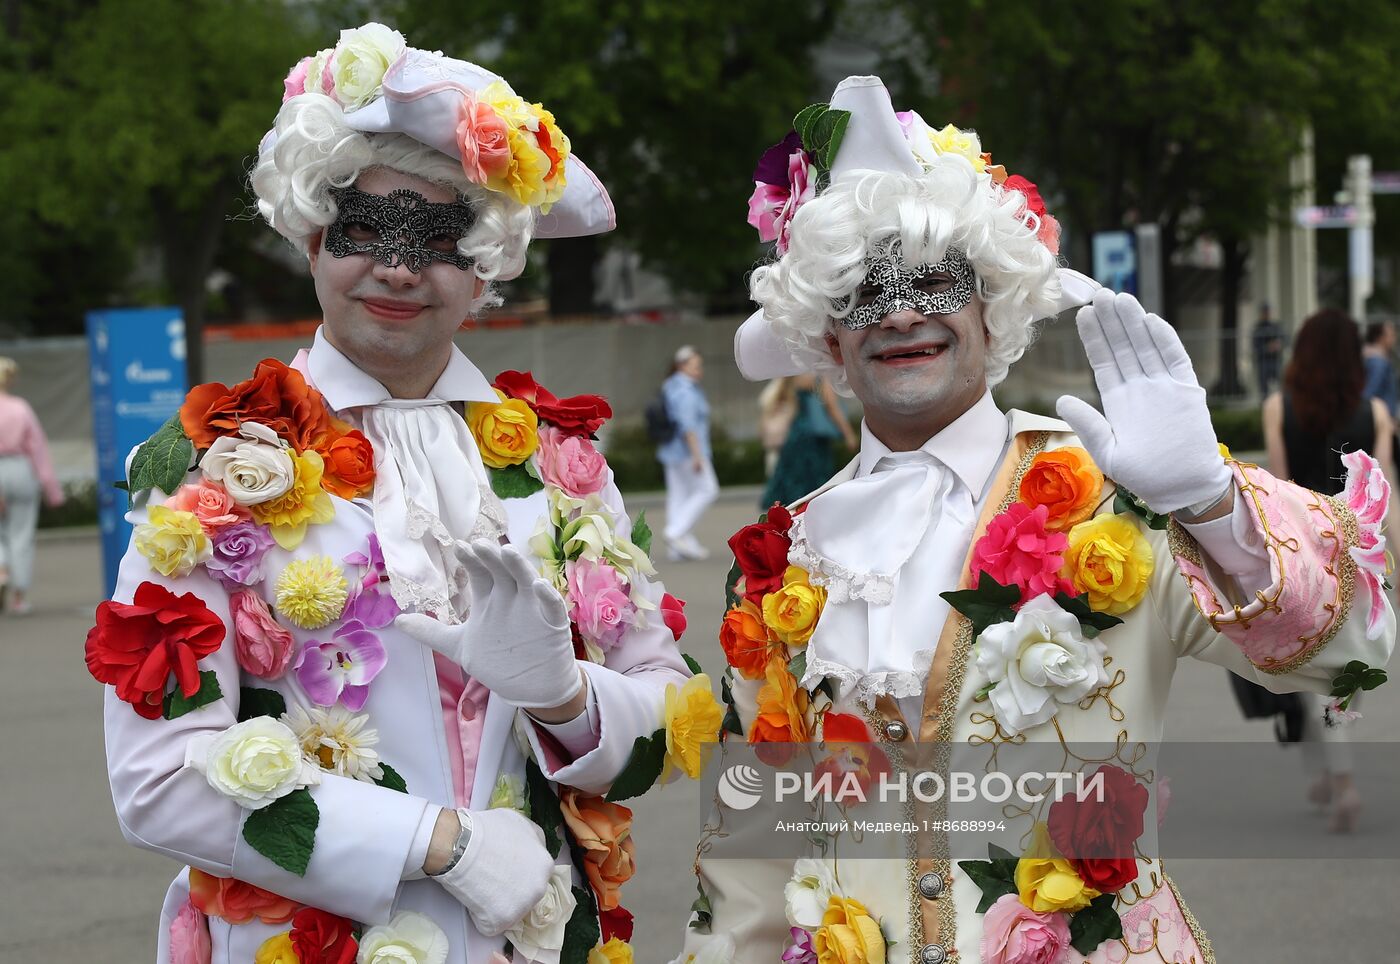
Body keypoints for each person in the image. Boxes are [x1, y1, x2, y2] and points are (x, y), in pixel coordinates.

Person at [675, 76, 1395, 963]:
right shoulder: (781, 562)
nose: (900, 311)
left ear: (994, 302)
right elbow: (749, 861)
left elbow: (1355, 653)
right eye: (863, 289)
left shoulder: (1113, 493)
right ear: (828, 337)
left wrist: (1209, 500)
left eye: (934, 279)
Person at [88, 26, 695, 963]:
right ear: (314, 236)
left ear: (486, 262)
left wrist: (567, 698)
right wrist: (434, 845)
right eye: (366, 231)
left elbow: (666, 722)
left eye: (441, 238)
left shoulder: (558, 466)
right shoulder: (205, 468)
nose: (401, 268)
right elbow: (158, 778)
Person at [1262, 308, 1398, 832]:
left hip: (1302, 557)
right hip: (1361, 560)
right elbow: (1387, 499)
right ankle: (1329, 774)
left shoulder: (1279, 408)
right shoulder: (1377, 413)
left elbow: (1275, 490)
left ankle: (1341, 783)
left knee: (1308, 673)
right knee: (1346, 676)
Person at [0, 355, 65, 615]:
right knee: (22, 534)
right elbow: (38, 449)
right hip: (20, 469)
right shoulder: (21, 408)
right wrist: (52, 490)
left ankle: (2, 568)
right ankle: (18, 596)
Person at [758, 373, 857, 508]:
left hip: (795, 433)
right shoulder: (818, 375)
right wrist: (848, 433)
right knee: (817, 481)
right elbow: (831, 406)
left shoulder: (793, 373)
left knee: (794, 480)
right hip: (815, 438)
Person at [657, 345, 718, 560]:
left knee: (679, 496)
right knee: (708, 489)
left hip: (671, 451)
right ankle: (675, 533)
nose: (699, 370)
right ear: (682, 366)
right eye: (695, 366)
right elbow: (688, 426)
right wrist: (697, 455)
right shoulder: (685, 390)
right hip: (688, 451)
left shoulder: (671, 387)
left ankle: (678, 547)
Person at [1362, 318, 1398, 418]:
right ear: (1380, 337)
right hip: (1381, 418)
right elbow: (1369, 393)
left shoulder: (1376, 359)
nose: (1394, 339)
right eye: (1391, 335)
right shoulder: (1378, 362)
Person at [1252, 302, 1284, 398]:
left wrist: (1278, 345)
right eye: (1264, 311)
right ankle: (1265, 405)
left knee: (1280, 383)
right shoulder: (1258, 328)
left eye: (1268, 311)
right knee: (1263, 387)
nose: (1266, 313)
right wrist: (1267, 348)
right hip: (1263, 360)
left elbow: (1283, 339)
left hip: (1275, 359)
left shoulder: (1276, 326)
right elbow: (1255, 345)